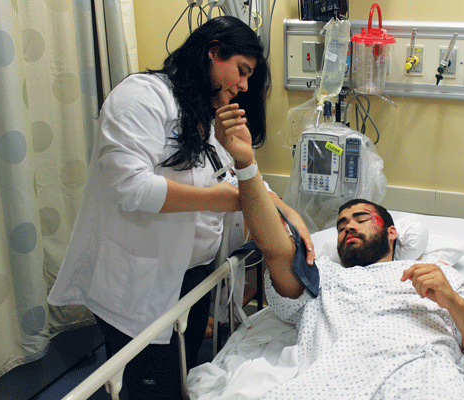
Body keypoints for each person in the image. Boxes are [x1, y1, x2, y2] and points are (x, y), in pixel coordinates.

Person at [47, 16, 313, 400]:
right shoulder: (143, 96)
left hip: (191, 279)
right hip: (138, 281)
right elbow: (130, 187)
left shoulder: (204, 113)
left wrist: (284, 209)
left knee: (180, 374)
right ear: (212, 51)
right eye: (242, 71)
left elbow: (235, 174)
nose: (243, 85)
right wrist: (221, 200)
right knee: (149, 385)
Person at [215, 107, 464, 398]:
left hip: (420, 380)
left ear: (391, 232)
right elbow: (275, 249)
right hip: (329, 384)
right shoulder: (322, 276)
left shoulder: (438, 278)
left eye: (361, 219)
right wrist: (246, 164)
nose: (349, 227)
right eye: (342, 224)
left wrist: (451, 300)